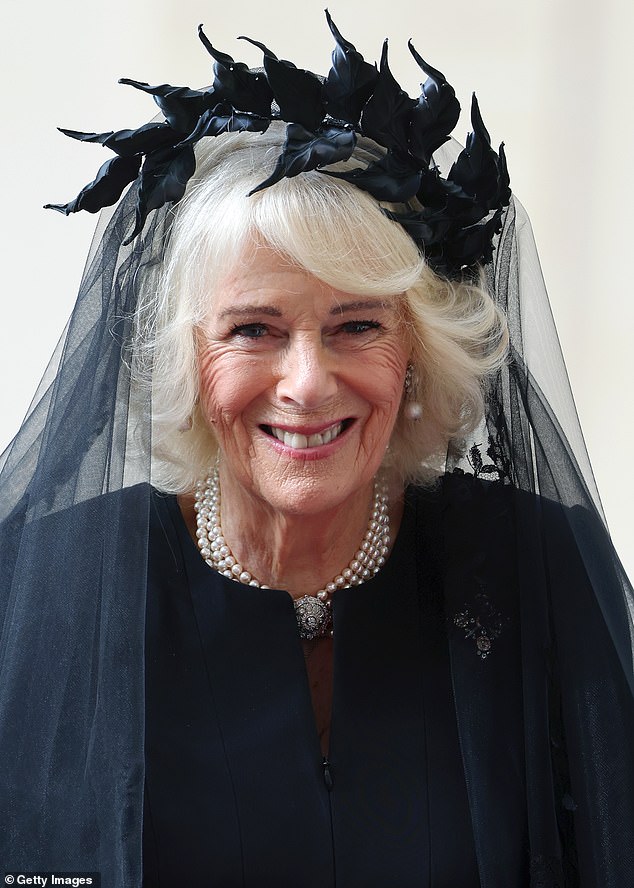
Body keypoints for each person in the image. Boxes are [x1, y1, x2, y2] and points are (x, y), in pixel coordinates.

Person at [1, 13, 632, 888]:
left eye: (357, 326)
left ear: (415, 354)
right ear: (187, 358)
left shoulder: (533, 567)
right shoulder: (49, 585)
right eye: (254, 329)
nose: (306, 383)